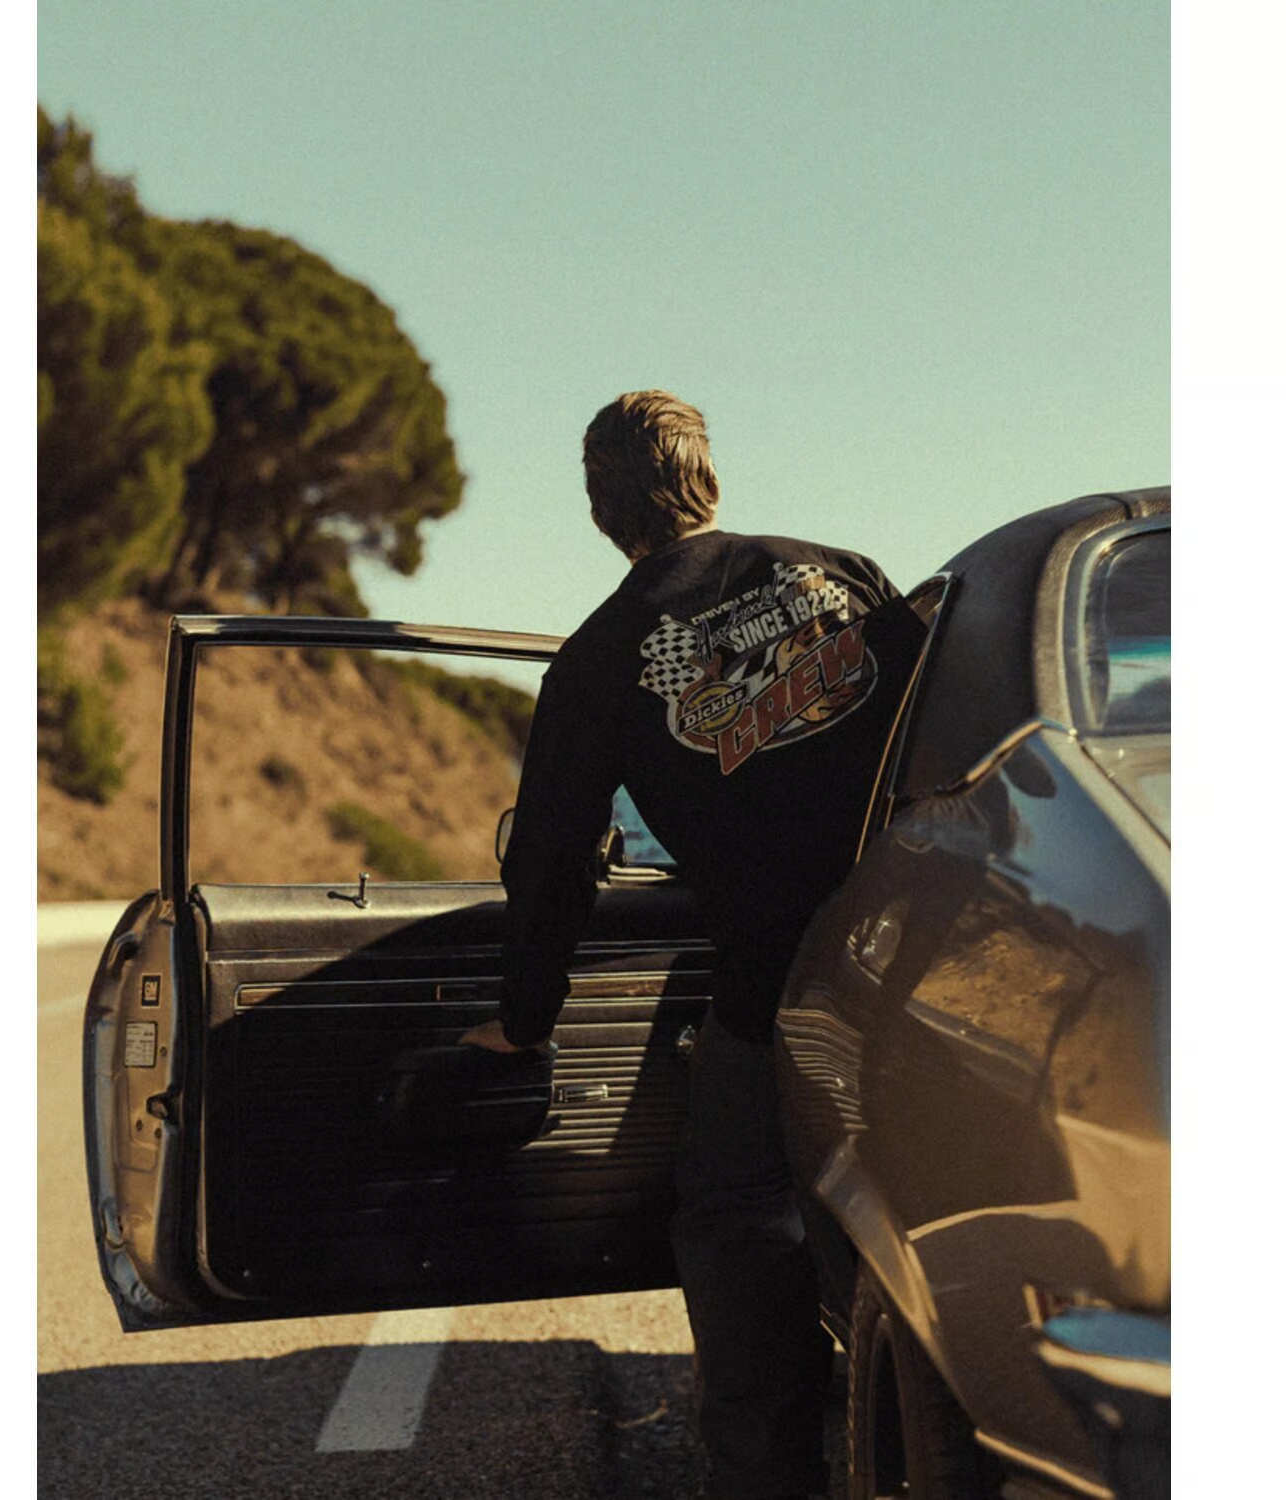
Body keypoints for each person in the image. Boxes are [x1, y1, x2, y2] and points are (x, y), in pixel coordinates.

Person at [462, 391, 924, 1500]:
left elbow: (552, 867)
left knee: (733, 1219)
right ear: (707, 476)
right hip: (923, 965)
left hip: (774, 994)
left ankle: (770, 1476)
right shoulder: (843, 577)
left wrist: (524, 1024)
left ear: (600, 508)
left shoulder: (600, 659)